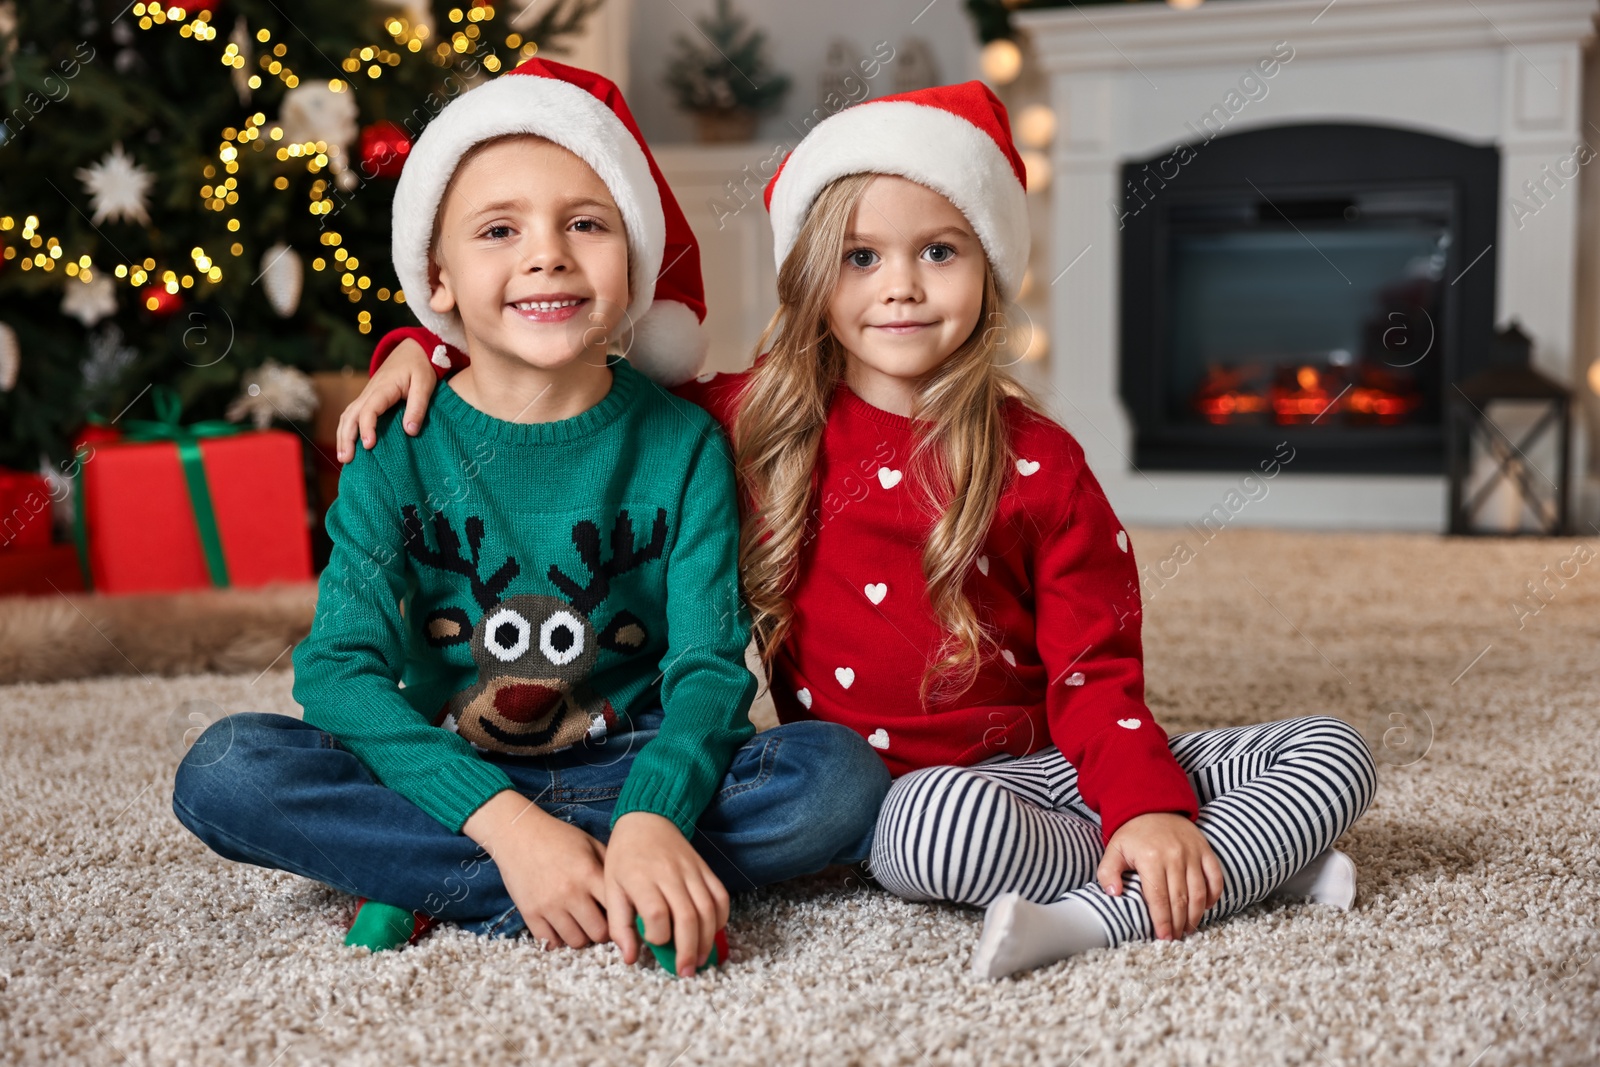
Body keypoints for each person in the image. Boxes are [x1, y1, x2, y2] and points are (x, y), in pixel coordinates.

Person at [338, 81, 1378, 979]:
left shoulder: (1040, 462)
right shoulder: (749, 419)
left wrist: (1144, 800)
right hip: (902, 799)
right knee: (919, 829)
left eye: (938, 251)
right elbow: (557, 370)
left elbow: (1094, 672)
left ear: (989, 270)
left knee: (1333, 752)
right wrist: (417, 350)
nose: (900, 286)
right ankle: (1238, 868)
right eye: (860, 256)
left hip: (1055, 758)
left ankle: (1149, 874)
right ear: (811, 279)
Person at [171, 59, 888, 975]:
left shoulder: (684, 445)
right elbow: (339, 673)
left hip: (632, 761)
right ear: (438, 279)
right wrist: (508, 825)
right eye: (499, 230)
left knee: (836, 778)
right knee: (228, 765)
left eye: (586, 225)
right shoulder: (397, 445)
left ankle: (461, 876)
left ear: (631, 267)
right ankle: (585, 881)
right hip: (458, 773)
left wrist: (654, 811)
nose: (546, 253)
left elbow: (709, 671)